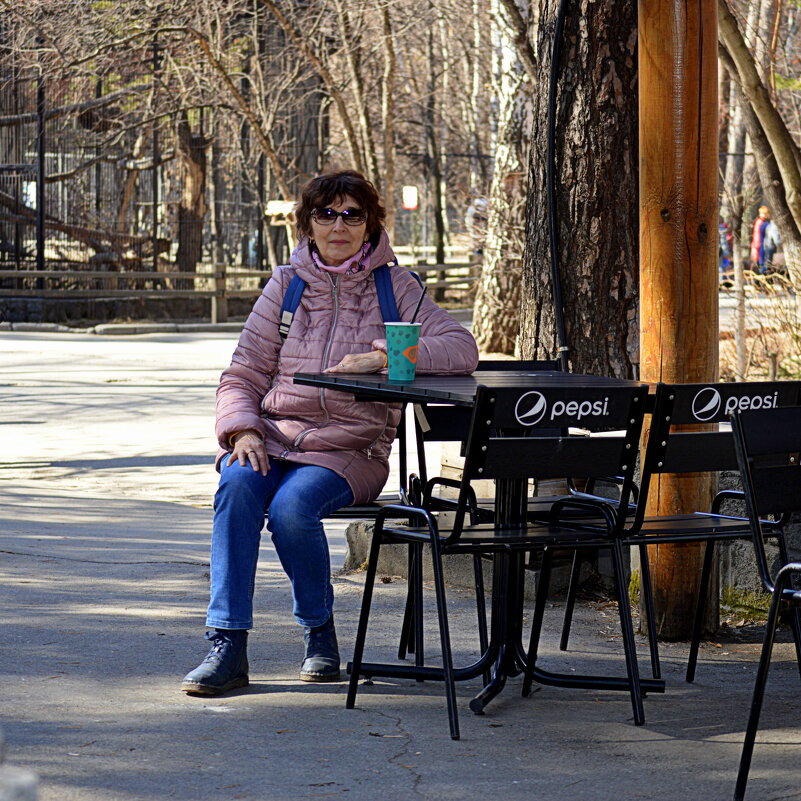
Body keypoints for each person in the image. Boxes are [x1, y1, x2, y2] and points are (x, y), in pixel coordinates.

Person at [182, 169, 479, 695]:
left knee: (294, 508)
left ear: (370, 225)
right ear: (308, 224)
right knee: (236, 486)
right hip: (274, 437)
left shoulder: (396, 286)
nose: (338, 225)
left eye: (352, 214)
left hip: (351, 447)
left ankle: (319, 633)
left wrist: (385, 356)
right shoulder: (286, 285)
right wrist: (241, 432)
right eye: (326, 213)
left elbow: (461, 348)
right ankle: (227, 644)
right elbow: (243, 372)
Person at [750, 205, 781, 274]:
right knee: (763, 263)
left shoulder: (764, 222)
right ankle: (761, 277)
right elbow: (757, 236)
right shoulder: (761, 223)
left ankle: (763, 276)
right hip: (761, 246)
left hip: (762, 245)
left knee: (764, 263)